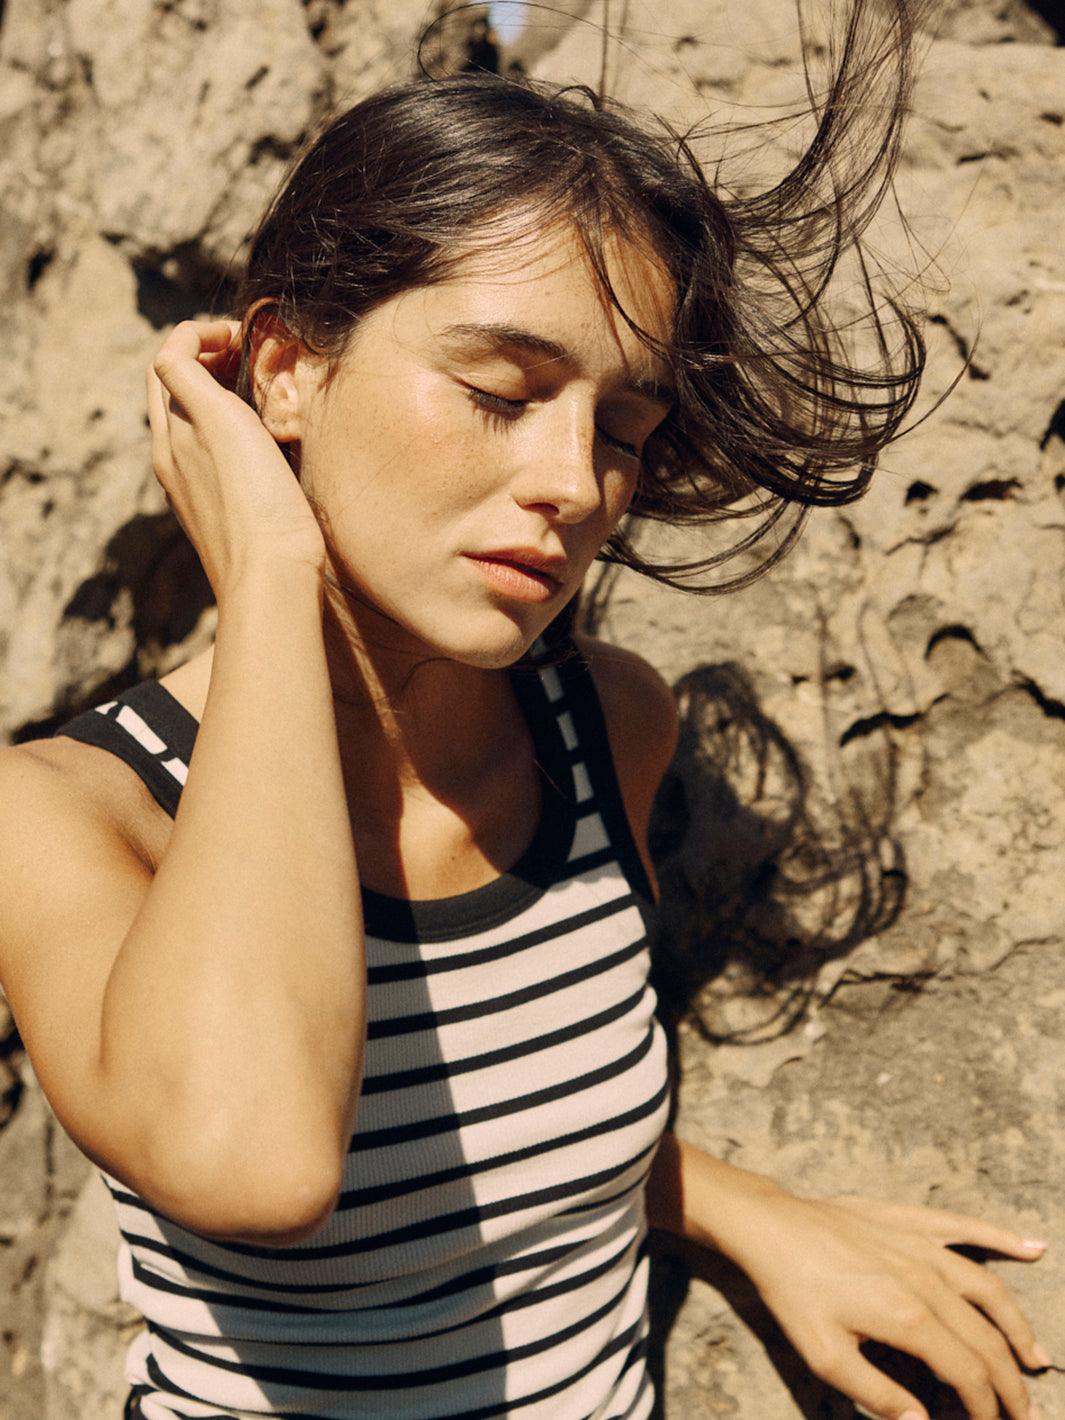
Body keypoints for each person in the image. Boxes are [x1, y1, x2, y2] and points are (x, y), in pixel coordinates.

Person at [0, 10, 1051, 1420]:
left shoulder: (603, 728)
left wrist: (749, 1211)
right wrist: (268, 569)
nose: (572, 481)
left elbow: (499, 1118)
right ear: (286, 371)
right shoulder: (67, 813)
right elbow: (252, 1156)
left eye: (621, 430)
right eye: (501, 391)